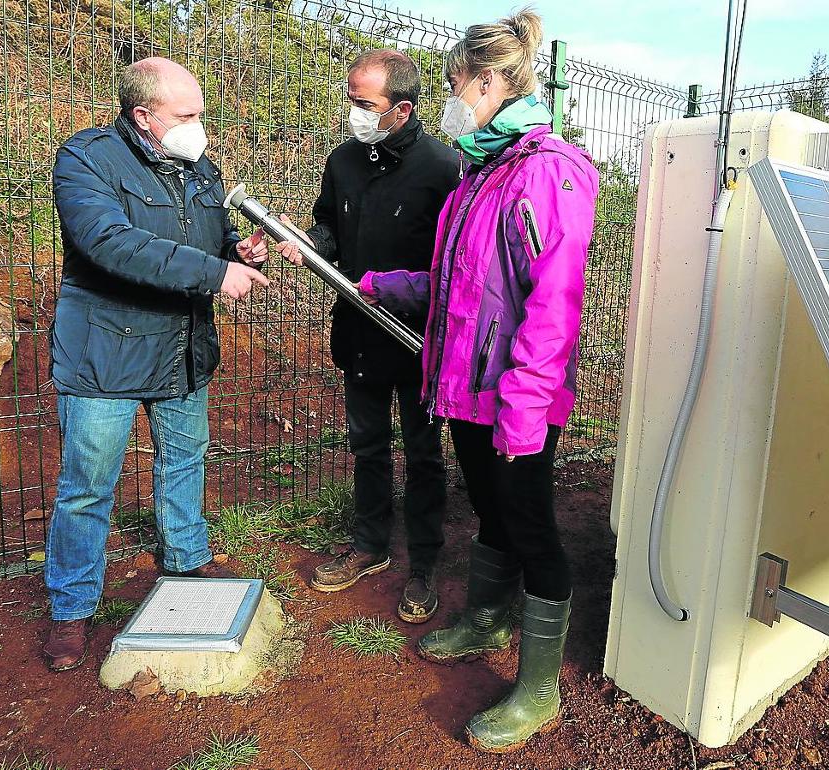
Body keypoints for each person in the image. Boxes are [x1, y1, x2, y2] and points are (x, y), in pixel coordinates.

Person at [354, 9, 599, 753]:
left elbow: (553, 306)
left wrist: (524, 408)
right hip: (466, 386)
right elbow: (462, 285)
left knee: (532, 528)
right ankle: (489, 619)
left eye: (456, 82)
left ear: (488, 82)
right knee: (492, 511)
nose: (450, 99)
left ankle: (540, 686)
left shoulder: (548, 172)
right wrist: (388, 284)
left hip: (516, 397)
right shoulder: (480, 173)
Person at [43, 57, 271, 672]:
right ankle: (71, 607)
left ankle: (187, 560)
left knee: (184, 460)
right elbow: (109, 242)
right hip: (106, 354)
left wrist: (237, 250)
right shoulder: (87, 159)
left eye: (201, 113)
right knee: (88, 487)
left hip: (181, 347)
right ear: (143, 116)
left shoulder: (198, 166)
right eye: (186, 115)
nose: (201, 127)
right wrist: (214, 273)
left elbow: (211, 237)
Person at [278, 50, 459, 623]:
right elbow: (329, 225)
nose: (353, 111)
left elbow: (454, 263)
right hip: (358, 329)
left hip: (419, 337)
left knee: (424, 452)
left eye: (364, 103)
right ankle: (370, 545)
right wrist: (310, 244)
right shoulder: (344, 161)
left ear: (401, 109)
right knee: (368, 444)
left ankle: (424, 564)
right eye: (351, 99)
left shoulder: (445, 168)